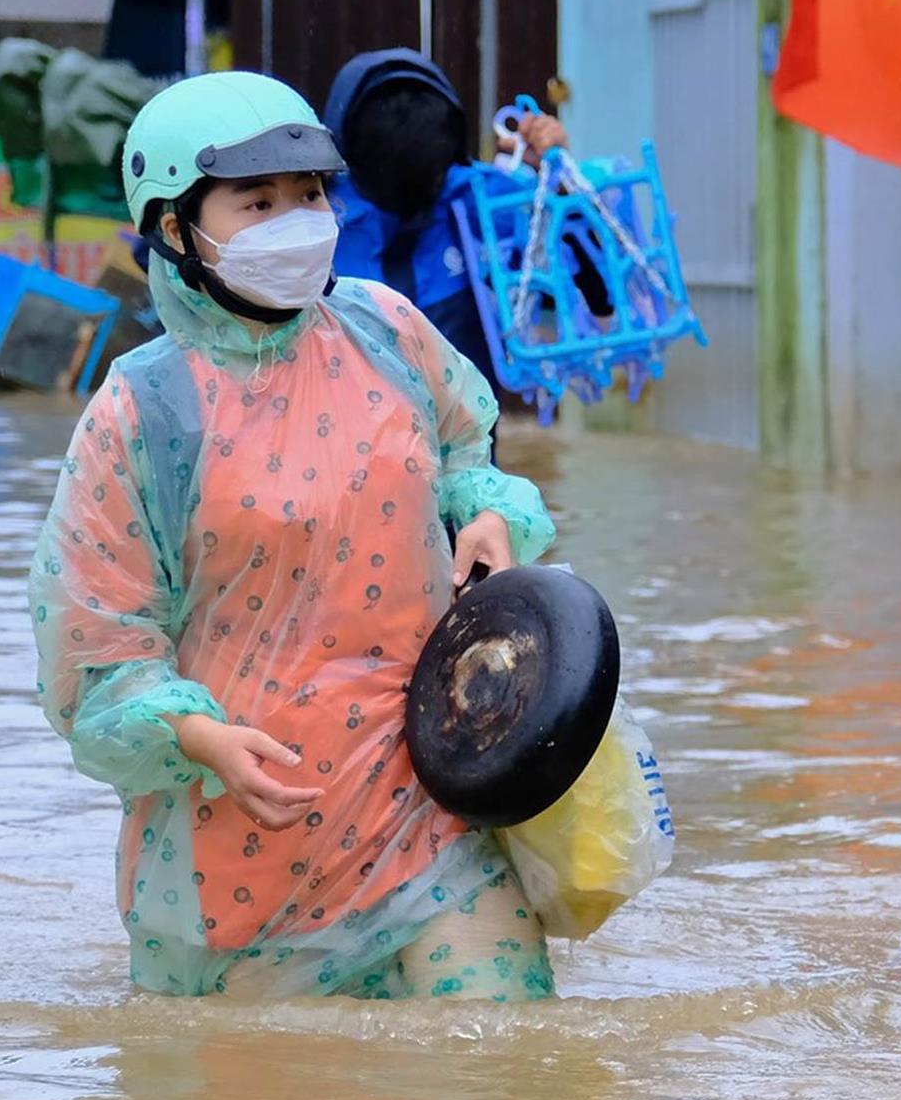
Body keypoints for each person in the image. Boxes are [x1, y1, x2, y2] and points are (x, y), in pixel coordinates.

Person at [29, 70, 559, 1002]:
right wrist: (197, 736)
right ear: (170, 229)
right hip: (244, 848)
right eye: (258, 201)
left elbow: (467, 450)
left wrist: (488, 515)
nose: (297, 220)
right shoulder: (139, 415)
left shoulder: (386, 330)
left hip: (428, 803)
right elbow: (98, 651)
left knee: (508, 1077)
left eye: (309, 194)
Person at [320, 49, 568, 393]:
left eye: (428, 169)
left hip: (462, 430)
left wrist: (552, 173)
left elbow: (576, 264)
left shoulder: (474, 194)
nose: (408, 183)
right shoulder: (319, 210)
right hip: (346, 426)